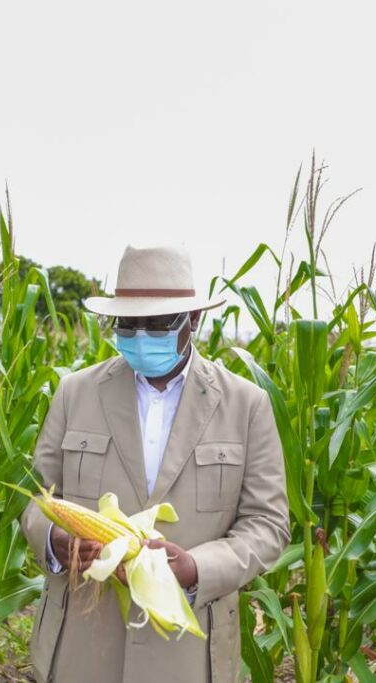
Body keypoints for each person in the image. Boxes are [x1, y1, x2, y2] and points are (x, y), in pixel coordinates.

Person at [19, 244, 291, 683]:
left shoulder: (246, 405)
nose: (141, 335)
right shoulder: (75, 393)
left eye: (159, 323)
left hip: (188, 649)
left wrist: (197, 568)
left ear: (194, 320)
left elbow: (267, 524)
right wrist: (53, 538)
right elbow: (37, 498)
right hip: (82, 645)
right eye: (128, 323)